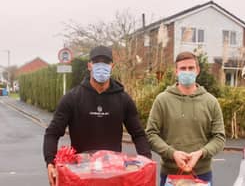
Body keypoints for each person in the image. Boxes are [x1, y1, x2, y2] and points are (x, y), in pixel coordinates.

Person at [43, 45, 152, 186]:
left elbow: (138, 134)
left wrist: (146, 162)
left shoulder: (123, 99)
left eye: (106, 62)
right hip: (80, 174)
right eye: (97, 62)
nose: (102, 66)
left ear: (112, 66)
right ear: (89, 65)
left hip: (114, 174)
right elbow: (52, 133)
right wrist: (50, 163)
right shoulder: (72, 98)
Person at [145, 51, 225, 186]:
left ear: (197, 70)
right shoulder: (162, 100)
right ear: (176, 71)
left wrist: (201, 153)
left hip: (202, 174)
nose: (187, 72)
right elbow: (151, 134)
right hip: (170, 174)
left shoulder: (211, 102)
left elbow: (219, 138)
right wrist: (172, 153)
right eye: (182, 68)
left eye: (191, 68)